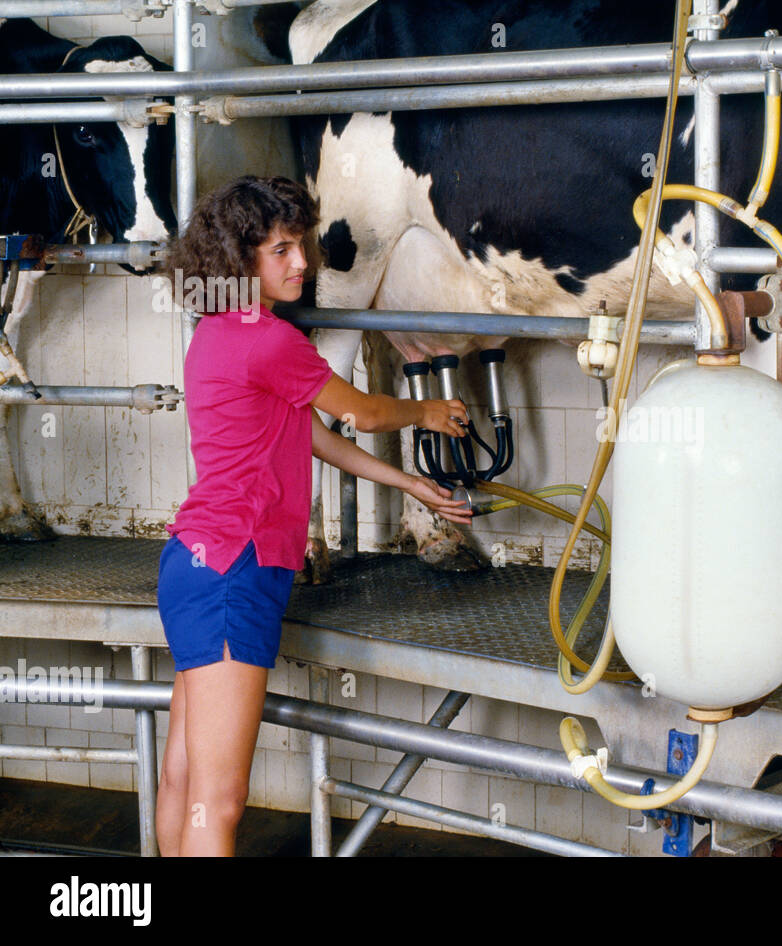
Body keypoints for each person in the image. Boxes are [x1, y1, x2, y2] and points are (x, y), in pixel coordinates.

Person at [154, 175, 471, 856]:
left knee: (184, 779)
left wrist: (407, 483)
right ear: (239, 260)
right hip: (235, 570)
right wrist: (427, 412)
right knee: (222, 798)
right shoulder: (269, 340)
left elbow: (309, 433)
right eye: (282, 250)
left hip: (192, 564)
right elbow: (361, 412)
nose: (301, 263)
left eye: (299, 246)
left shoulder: (215, 332)